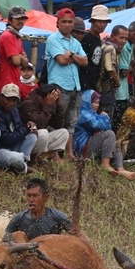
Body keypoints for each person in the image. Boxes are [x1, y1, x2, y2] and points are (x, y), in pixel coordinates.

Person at [45, 8, 87, 158]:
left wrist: (72, 55)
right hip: (59, 86)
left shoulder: (75, 42)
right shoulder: (53, 39)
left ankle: (69, 154)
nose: (67, 24)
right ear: (57, 23)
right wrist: (75, 59)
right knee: (57, 120)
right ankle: (53, 154)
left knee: (71, 121)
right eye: (64, 21)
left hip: (75, 86)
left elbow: (85, 61)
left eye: (70, 22)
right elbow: (61, 60)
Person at [74, 90, 135, 180]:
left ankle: (121, 169)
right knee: (109, 134)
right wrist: (105, 117)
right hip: (82, 148)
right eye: (95, 102)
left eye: (98, 103)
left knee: (115, 148)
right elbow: (97, 125)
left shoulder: (93, 114)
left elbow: (102, 126)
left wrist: (100, 128)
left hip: (89, 144)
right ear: (87, 101)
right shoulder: (82, 113)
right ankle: (105, 164)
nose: (97, 105)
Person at [4, 177, 71, 241]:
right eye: (29, 195)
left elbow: (76, 235)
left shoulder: (57, 217)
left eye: (35, 196)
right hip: (26, 251)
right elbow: (5, 241)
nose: (31, 199)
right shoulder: (19, 219)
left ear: (46, 197)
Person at [0, 83, 35, 174]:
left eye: (14, 100)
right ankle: (22, 166)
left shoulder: (15, 111)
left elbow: (18, 131)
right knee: (14, 157)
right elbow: (7, 139)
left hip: (12, 148)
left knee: (32, 136)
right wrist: (25, 129)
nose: (11, 103)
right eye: (8, 99)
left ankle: (22, 162)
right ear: (1, 97)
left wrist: (29, 127)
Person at [20, 84, 69, 163]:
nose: (52, 102)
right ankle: (31, 160)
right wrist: (49, 105)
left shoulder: (48, 104)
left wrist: (59, 104)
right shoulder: (28, 104)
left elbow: (58, 125)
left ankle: (40, 158)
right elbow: (40, 124)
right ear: (41, 97)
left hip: (39, 141)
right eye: (50, 99)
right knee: (43, 132)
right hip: (27, 140)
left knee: (64, 133)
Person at [0, 6, 28, 95]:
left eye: (23, 19)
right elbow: (17, 62)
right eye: (17, 19)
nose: (20, 21)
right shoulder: (8, 36)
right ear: (10, 20)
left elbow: (25, 64)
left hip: (13, 83)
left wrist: (19, 57)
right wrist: (21, 57)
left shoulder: (17, 37)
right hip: (6, 85)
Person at [97, 25, 126, 117]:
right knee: (106, 118)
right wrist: (117, 83)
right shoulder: (110, 48)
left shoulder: (105, 45)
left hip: (101, 89)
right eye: (121, 37)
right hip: (106, 90)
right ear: (112, 36)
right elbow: (110, 69)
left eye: (126, 38)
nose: (124, 41)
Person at [81, 5, 110, 94]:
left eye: (105, 22)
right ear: (92, 21)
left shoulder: (98, 38)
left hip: (94, 83)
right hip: (85, 84)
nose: (102, 25)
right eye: (99, 21)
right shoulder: (85, 38)